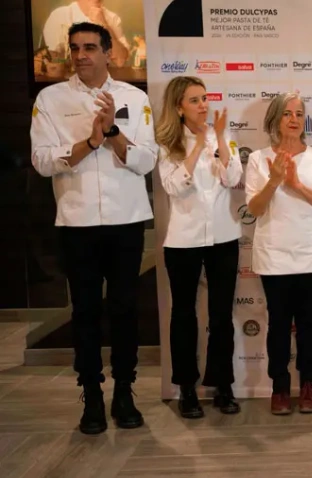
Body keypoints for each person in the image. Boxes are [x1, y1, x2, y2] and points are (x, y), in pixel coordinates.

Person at [30, 22, 155, 434]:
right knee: (85, 312)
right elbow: (44, 161)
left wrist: (113, 132)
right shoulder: (50, 99)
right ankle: (91, 396)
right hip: (77, 223)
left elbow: (146, 161)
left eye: (89, 48)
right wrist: (91, 141)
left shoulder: (134, 99)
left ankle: (124, 391)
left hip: (126, 222)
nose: (80, 55)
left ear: (109, 54)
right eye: (75, 48)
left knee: (123, 309)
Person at [245, 93, 312, 415]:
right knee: (279, 324)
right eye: (287, 113)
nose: (294, 119)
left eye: (299, 113)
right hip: (274, 256)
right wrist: (273, 181)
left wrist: (296, 184)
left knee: (309, 322)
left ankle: (309, 383)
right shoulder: (258, 159)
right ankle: (280, 387)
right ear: (275, 119)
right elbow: (254, 209)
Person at [155, 76, 242, 419]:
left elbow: (233, 179)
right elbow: (175, 186)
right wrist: (197, 146)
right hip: (184, 240)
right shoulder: (166, 143)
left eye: (204, 98)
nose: (203, 105)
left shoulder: (224, 137)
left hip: (223, 237)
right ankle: (186, 388)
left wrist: (219, 138)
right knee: (184, 314)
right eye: (194, 100)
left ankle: (222, 385)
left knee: (221, 315)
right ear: (179, 107)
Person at [41, 0, 130, 67]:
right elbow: (54, 60)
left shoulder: (112, 18)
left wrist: (104, 25)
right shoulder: (59, 16)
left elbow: (120, 61)